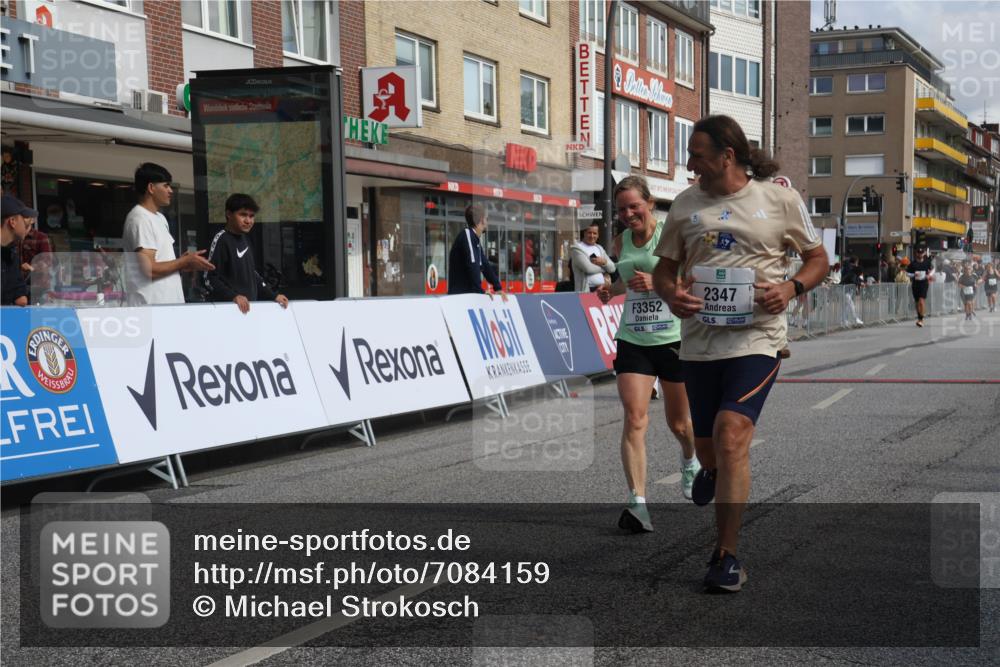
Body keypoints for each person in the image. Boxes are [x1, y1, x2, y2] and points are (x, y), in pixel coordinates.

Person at [651, 115, 828, 592]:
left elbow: (819, 260)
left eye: (698, 155)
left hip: (758, 340)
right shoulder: (686, 205)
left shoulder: (779, 198)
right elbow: (665, 271)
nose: (691, 165)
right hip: (699, 344)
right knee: (710, 447)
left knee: (731, 436)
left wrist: (790, 288)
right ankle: (707, 467)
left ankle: (725, 556)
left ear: (728, 155)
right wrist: (671, 296)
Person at [595, 175, 697, 532]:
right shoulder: (621, 241)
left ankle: (689, 459)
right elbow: (627, 280)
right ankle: (637, 502)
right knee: (635, 418)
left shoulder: (670, 232)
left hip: (672, 338)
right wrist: (613, 290)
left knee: (680, 424)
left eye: (634, 206)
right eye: (622, 209)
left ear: (650, 203)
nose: (628, 213)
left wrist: (660, 283)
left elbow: (693, 278)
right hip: (633, 339)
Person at [123, 162, 214, 305]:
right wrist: (183, 261)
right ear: (151, 188)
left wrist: (185, 263)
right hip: (151, 309)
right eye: (166, 185)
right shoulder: (140, 218)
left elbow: (161, 263)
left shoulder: (160, 218)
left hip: (167, 306)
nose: (170, 190)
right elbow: (149, 269)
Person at [204, 194, 289, 313]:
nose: (248, 221)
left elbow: (252, 274)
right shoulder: (221, 239)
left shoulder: (246, 239)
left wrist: (273, 295)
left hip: (248, 311)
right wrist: (233, 296)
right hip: (227, 312)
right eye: (243, 215)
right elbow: (209, 278)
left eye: (251, 216)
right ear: (229, 214)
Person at [447, 203, 506, 299]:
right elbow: (473, 265)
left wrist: (498, 287)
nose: (487, 222)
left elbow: (485, 265)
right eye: (487, 219)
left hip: (467, 296)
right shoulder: (467, 235)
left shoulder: (474, 239)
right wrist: (479, 291)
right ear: (482, 220)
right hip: (460, 298)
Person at [1, 194, 36, 306]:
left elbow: (20, 299)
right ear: (12, 221)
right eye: (24, 219)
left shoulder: (12, 253)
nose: (27, 226)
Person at [571, 223, 617, 292]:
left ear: (598, 235)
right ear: (584, 233)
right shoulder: (577, 249)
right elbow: (588, 269)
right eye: (589, 233)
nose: (592, 236)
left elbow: (613, 268)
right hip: (587, 291)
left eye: (595, 233)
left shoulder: (599, 248)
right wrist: (605, 267)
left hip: (603, 289)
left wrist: (604, 262)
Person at [18, 214, 53, 296]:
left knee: (37, 308)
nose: (22, 219)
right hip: (16, 285)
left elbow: (47, 261)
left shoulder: (41, 237)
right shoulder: (14, 237)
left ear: (32, 220)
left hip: (38, 285)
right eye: (20, 217)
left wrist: (32, 267)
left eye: (25, 216)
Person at [907, 244, 934, 327]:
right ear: (916, 253)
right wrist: (914, 275)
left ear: (924, 253)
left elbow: (933, 269)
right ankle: (919, 317)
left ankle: (921, 319)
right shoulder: (913, 263)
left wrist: (929, 275)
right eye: (918, 252)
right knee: (917, 302)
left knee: (921, 301)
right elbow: (907, 273)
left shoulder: (927, 262)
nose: (920, 254)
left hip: (924, 284)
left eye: (921, 252)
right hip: (915, 284)